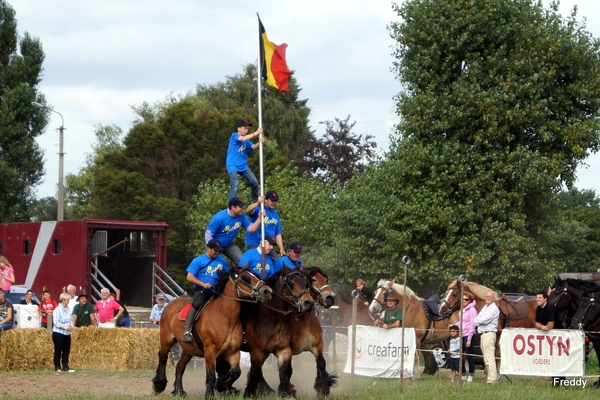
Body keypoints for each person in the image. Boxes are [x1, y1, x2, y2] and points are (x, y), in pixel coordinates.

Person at [182, 239, 230, 342]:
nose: (217, 252)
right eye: (215, 250)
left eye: (218, 251)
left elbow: (228, 275)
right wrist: (203, 284)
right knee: (197, 304)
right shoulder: (198, 261)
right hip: (202, 290)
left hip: (218, 291)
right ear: (208, 248)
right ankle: (187, 330)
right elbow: (190, 277)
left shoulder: (222, 261)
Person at [204, 197, 263, 265]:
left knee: (244, 262)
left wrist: (259, 219)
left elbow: (251, 229)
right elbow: (208, 233)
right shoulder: (219, 217)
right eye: (240, 207)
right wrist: (211, 247)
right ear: (233, 207)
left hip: (228, 244)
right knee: (209, 264)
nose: (242, 209)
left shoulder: (241, 216)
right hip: (215, 245)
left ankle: (235, 274)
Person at [226, 119, 264, 203]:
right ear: (238, 128)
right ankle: (231, 203)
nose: (246, 130)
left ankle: (255, 201)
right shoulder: (234, 136)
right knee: (235, 184)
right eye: (244, 128)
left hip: (242, 165)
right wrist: (256, 133)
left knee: (254, 182)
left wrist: (259, 143)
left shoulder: (246, 141)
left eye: (247, 129)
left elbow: (253, 147)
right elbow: (242, 139)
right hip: (232, 164)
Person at [245, 191, 285, 259]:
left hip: (268, 244)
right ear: (266, 200)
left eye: (276, 201)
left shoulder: (275, 214)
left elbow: (277, 233)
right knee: (256, 261)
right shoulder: (259, 209)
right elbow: (248, 211)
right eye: (272, 200)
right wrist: (258, 202)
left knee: (276, 263)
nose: (275, 203)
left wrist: (281, 248)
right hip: (255, 243)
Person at [474, 290, 500, 384]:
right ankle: (490, 377)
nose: (488, 298)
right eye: (486, 296)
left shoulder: (494, 309)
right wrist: (478, 321)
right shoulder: (485, 307)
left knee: (490, 357)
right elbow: (476, 319)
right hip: (483, 334)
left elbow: (485, 320)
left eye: (489, 297)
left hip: (489, 333)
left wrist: (478, 321)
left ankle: (492, 379)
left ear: (493, 298)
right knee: (486, 358)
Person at [52, 292, 76, 372]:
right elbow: (56, 323)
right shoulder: (57, 310)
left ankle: (65, 366)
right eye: (67, 300)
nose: (68, 301)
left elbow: (70, 320)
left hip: (67, 333)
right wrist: (65, 328)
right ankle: (57, 366)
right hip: (58, 333)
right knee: (58, 350)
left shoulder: (69, 309)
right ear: (63, 300)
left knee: (66, 350)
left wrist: (72, 326)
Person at [457, 294, 478, 383]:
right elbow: (461, 322)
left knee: (469, 356)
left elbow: (472, 324)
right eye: (462, 299)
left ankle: (471, 374)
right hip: (462, 334)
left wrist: (469, 339)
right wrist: (453, 326)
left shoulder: (472, 310)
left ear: (469, 300)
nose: (464, 301)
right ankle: (464, 373)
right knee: (460, 354)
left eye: (466, 299)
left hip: (469, 335)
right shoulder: (462, 310)